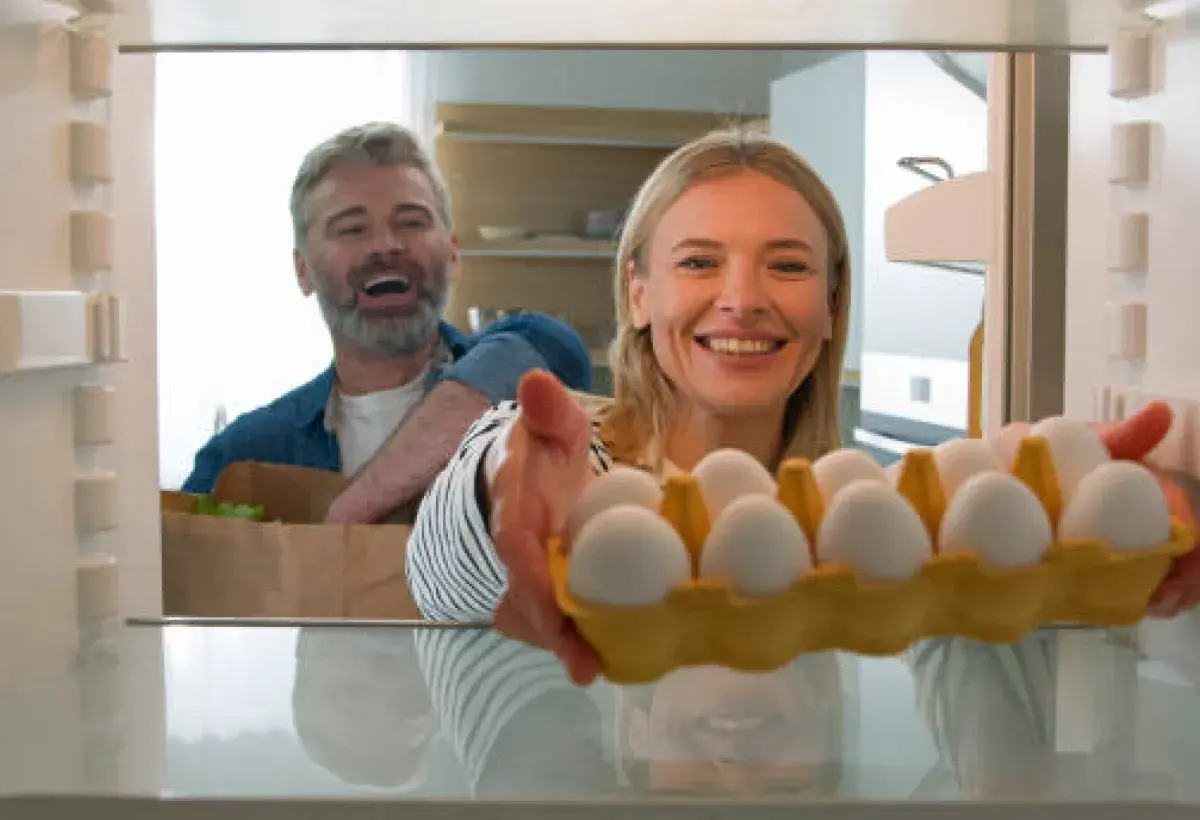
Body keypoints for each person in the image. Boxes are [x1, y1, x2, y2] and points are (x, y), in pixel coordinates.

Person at [403, 128, 1200, 686]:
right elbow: (439, 579)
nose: (743, 301)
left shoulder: (871, 517)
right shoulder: (562, 463)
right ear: (638, 293)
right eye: (699, 262)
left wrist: (1067, 496)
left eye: (786, 266)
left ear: (830, 303)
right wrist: (496, 492)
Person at [180, 122, 593, 514]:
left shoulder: (529, 373)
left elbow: (553, 349)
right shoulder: (244, 454)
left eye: (411, 222)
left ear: (452, 254)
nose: (386, 245)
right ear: (303, 270)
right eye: (352, 229)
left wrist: (344, 517)